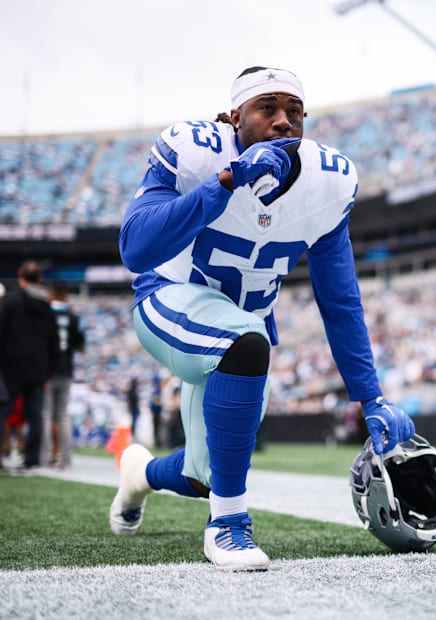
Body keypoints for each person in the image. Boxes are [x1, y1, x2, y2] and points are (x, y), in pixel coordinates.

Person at [109, 65, 414, 571]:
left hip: (239, 330)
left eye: (294, 111)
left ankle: (137, 473)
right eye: (266, 109)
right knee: (249, 341)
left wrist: (371, 396)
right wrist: (226, 183)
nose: (282, 122)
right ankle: (227, 524)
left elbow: (339, 299)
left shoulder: (328, 183)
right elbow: (136, 247)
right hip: (170, 299)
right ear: (235, 117)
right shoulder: (196, 151)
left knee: (203, 472)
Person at [0, 260, 59, 473]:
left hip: (10, 365)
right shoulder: (46, 304)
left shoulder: (9, 300)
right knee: (35, 415)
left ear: (20, 276)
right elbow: (54, 342)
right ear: (40, 279)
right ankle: (32, 459)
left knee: (4, 411)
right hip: (38, 368)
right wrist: (49, 372)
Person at [40, 281, 85, 469]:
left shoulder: (44, 314)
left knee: (45, 415)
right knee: (63, 415)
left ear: (51, 293)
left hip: (46, 371)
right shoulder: (74, 317)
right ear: (66, 295)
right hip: (66, 370)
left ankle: (42, 458)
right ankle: (66, 459)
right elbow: (81, 345)